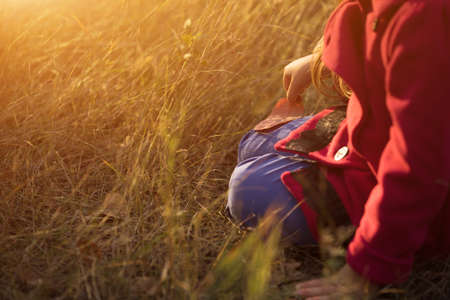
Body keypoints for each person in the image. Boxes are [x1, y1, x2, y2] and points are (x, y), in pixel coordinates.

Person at [228, 0, 450, 298]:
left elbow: (420, 165)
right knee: (253, 145)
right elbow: (373, 26)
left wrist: (369, 268)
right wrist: (319, 59)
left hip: (419, 193)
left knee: (250, 191)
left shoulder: (423, 16)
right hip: (372, 135)